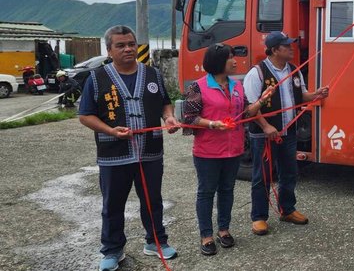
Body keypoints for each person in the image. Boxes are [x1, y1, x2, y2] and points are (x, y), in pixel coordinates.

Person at [78, 25, 180, 271]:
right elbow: (85, 115)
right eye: (120, 45)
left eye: (131, 44)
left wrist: (169, 118)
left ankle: (156, 241)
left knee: (152, 200)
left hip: (150, 152)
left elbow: (165, 103)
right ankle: (113, 250)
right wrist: (110, 130)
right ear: (109, 50)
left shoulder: (153, 74)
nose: (128, 49)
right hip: (114, 154)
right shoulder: (97, 78)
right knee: (113, 204)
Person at [182, 43, 274, 255]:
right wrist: (212, 124)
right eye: (230, 57)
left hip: (233, 150)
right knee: (206, 192)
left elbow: (246, 113)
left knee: (227, 190)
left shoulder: (237, 86)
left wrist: (262, 99)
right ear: (218, 62)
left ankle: (224, 230)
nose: (235, 61)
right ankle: (206, 235)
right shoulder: (199, 86)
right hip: (208, 152)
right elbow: (188, 119)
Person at [243, 31, 329, 235]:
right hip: (264, 135)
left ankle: (287, 209)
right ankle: (259, 217)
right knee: (262, 176)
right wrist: (265, 126)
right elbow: (249, 107)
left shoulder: (294, 71)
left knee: (289, 172)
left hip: (289, 132)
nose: (292, 48)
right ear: (274, 50)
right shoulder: (257, 73)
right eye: (286, 46)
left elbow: (300, 97)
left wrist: (316, 94)